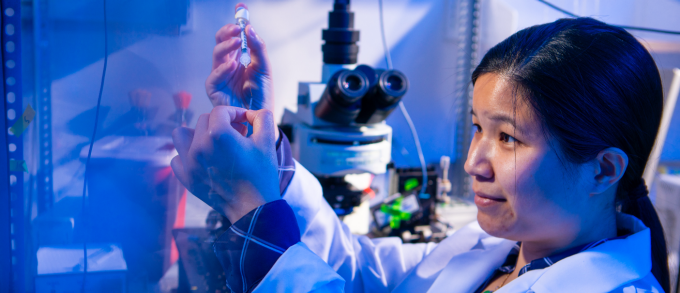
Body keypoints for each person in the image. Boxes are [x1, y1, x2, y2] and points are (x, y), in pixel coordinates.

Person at [171, 7, 670, 293]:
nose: (475, 162)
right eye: (478, 127)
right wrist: (262, 145)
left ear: (604, 169)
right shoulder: (496, 250)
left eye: (508, 138)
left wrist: (252, 210)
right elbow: (363, 272)